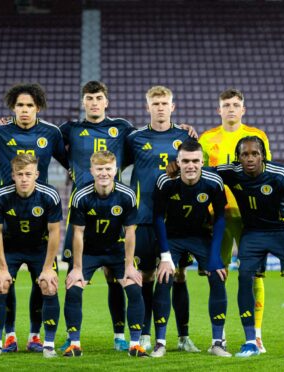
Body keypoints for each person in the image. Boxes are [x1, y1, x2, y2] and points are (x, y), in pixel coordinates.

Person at [0, 83, 68, 353]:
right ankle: (7, 337)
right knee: (3, 283)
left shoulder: (51, 132)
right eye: (20, 105)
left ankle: (36, 337)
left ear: (38, 108)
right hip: (7, 215)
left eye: (30, 106)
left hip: (40, 217)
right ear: (13, 107)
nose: (24, 110)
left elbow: (71, 164)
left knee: (43, 284)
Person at [59, 81, 136, 351]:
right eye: (89, 98)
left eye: (98, 98)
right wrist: (71, 169)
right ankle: (73, 338)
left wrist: (181, 129)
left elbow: (144, 143)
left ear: (107, 101)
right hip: (82, 206)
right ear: (83, 102)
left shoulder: (123, 127)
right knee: (75, 273)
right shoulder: (70, 130)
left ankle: (119, 335)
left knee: (115, 278)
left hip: (112, 206)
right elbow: (51, 147)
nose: (94, 102)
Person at [217, 136, 284, 358]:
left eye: (255, 154)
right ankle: (250, 342)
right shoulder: (231, 172)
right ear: (238, 158)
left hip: (282, 232)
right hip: (253, 233)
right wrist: (176, 166)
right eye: (245, 154)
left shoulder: (281, 175)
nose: (249, 158)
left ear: (263, 156)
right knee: (244, 277)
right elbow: (202, 171)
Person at [198, 88, 271, 352]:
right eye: (226, 105)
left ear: (244, 109)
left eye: (235, 104)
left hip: (249, 216)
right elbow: (201, 177)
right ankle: (220, 336)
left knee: (254, 275)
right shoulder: (207, 139)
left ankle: (256, 334)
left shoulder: (257, 137)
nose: (231, 108)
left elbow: (267, 176)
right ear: (219, 110)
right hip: (218, 216)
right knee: (217, 273)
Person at [124, 85, 194, 352]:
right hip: (143, 217)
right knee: (146, 275)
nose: (160, 107)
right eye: (156, 104)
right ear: (148, 107)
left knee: (178, 275)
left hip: (175, 220)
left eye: (165, 103)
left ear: (172, 107)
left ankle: (183, 336)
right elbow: (114, 159)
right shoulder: (135, 138)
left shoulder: (184, 137)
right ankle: (144, 334)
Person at [63, 150, 147, 358]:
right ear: (91, 170)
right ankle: (74, 344)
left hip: (116, 249)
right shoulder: (81, 196)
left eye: (108, 169)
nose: (104, 173)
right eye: (99, 169)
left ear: (115, 170)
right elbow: (78, 234)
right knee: (73, 287)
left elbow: (129, 233)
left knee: (134, 287)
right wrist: (77, 268)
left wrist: (129, 266)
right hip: (89, 251)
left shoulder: (126, 195)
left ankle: (135, 344)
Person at [152, 140, 230, 358]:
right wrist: (165, 256)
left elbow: (221, 219)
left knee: (217, 276)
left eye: (195, 161)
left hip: (200, 236)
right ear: (177, 161)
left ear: (202, 161)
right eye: (185, 161)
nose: (190, 166)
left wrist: (215, 257)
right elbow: (157, 218)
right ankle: (160, 343)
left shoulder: (213, 182)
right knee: (165, 277)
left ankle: (217, 343)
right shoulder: (165, 181)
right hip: (172, 237)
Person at [0, 153, 62, 359]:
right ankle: (1, 342)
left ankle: (45, 343)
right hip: (11, 248)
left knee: (48, 284)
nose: (24, 178)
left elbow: (55, 232)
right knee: (0, 284)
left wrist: (48, 268)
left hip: (40, 249)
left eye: (28, 174)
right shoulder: (1, 195)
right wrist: (1, 267)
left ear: (37, 174)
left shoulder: (49, 195)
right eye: (20, 174)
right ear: (13, 175)